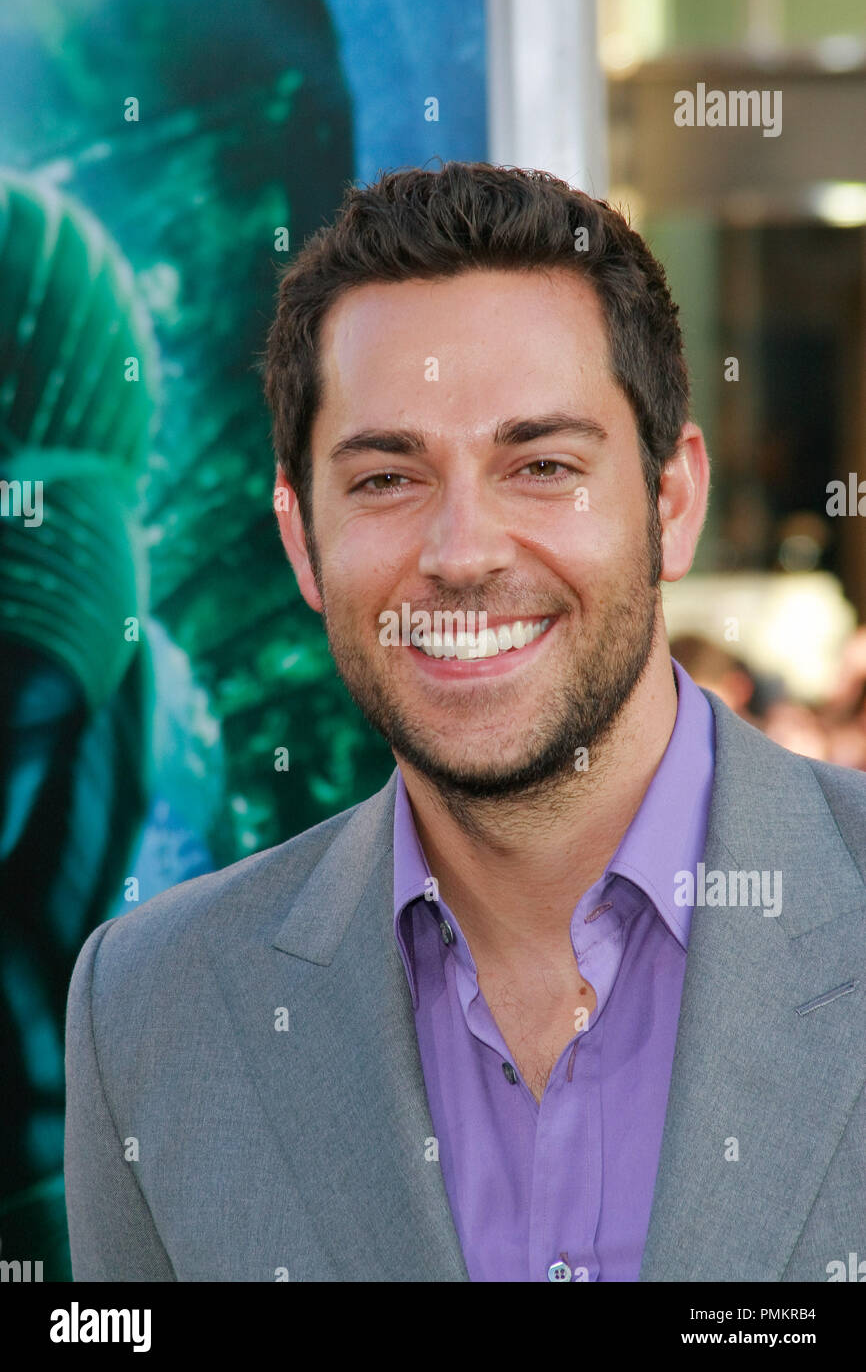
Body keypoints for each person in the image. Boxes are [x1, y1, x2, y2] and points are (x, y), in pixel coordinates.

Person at [64, 162, 866, 1282]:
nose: (461, 552)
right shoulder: (152, 1011)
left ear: (670, 504)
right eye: (387, 479)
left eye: (541, 465)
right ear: (301, 542)